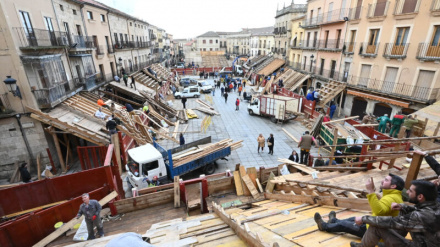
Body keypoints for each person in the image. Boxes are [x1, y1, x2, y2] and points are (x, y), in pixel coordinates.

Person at [350, 180, 440, 247]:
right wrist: (403, 207)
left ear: (420, 196)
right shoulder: (435, 206)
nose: (407, 192)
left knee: (376, 226)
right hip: (426, 243)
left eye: (411, 191)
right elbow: (418, 210)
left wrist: (364, 219)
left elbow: (390, 221)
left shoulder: (420, 216)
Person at [315, 174, 405, 239]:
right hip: (375, 224)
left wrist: (370, 190)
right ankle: (333, 221)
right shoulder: (394, 196)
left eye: (386, 180)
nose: (382, 181)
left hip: (372, 232)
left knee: (344, 225)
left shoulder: (391, 198)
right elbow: (380, 210)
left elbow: (379, 211)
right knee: (353, 219)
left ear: (393, 186)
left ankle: (324, 226)